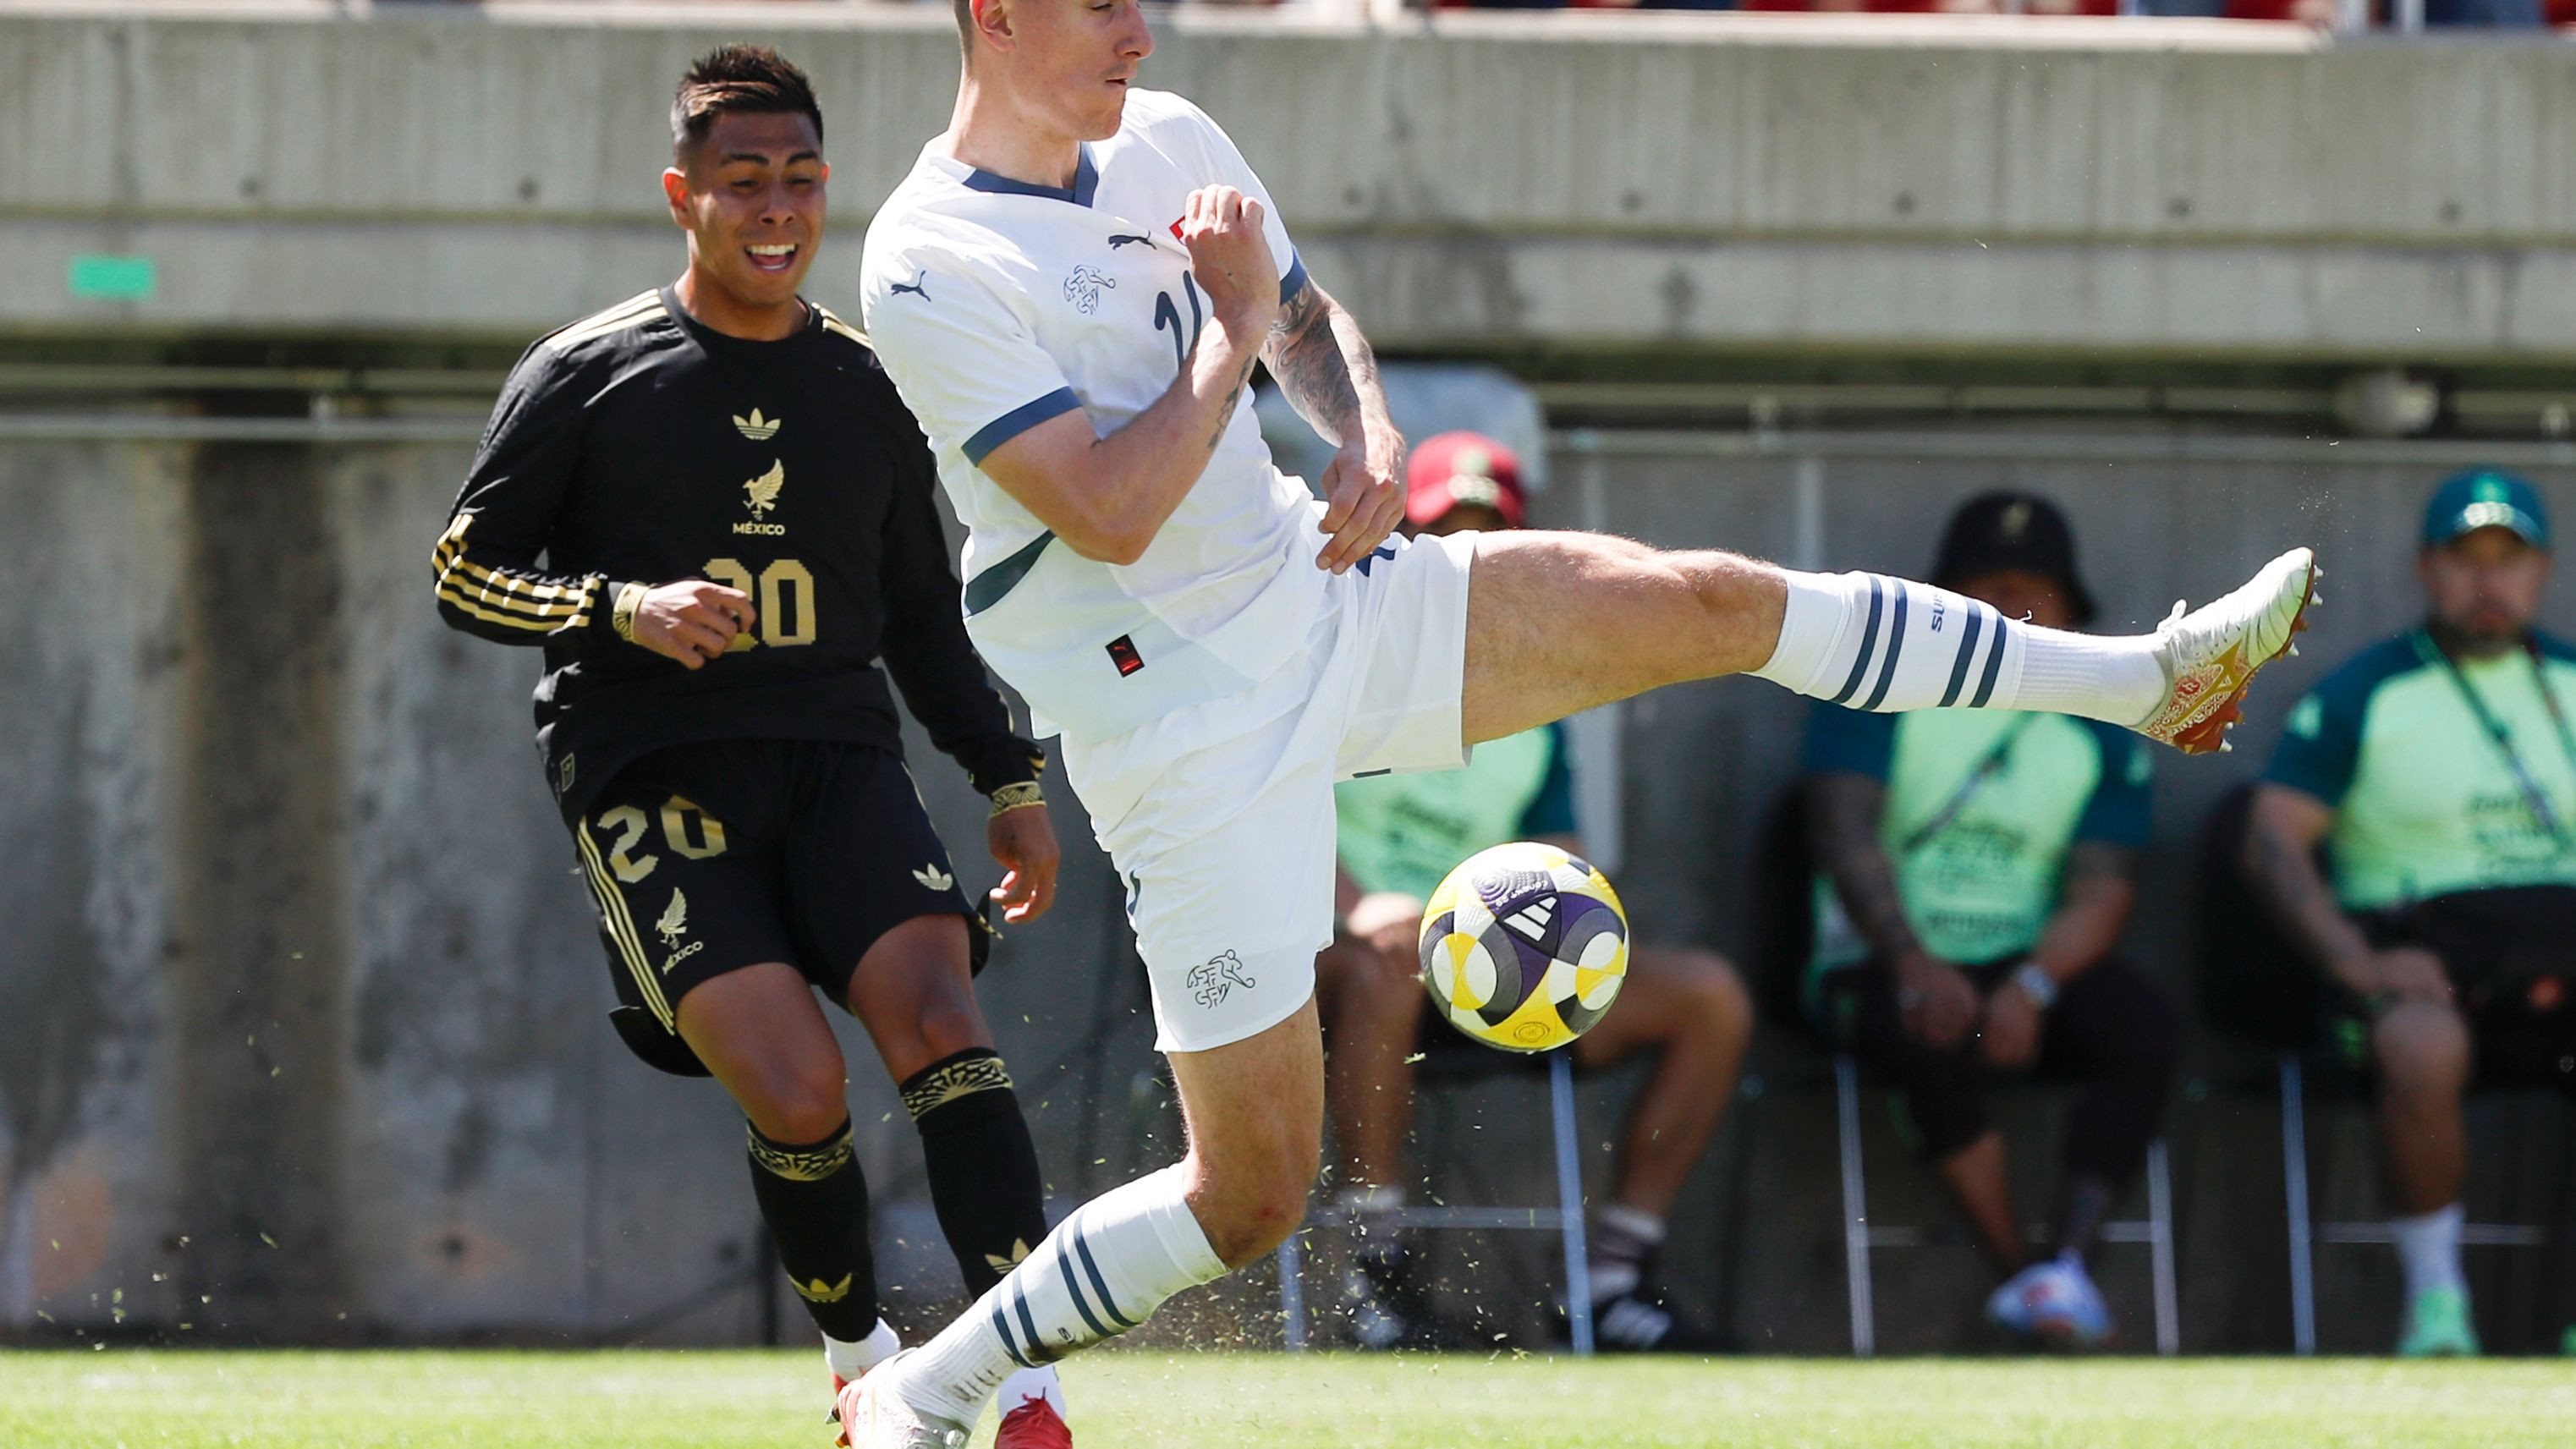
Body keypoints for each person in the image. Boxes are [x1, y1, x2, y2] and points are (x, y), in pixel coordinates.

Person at [842, 0, 2315, 1432]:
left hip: (1328, 597)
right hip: (1176, 726)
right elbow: (1107, 507)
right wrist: (1228, 325)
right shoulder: (925, 258)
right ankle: (931, 1385)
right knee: (1250, 1195)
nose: (1139, 33)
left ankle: (2146, 679)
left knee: (1709, 600)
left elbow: (1301, 315)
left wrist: (1365, 429)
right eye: (1103, 3)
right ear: (994, 13)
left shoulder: (1168, 135)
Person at [431, 47, 1075, 1446]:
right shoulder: (586, 373)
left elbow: (922, 614)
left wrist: (1008, 777)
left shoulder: (868, 382)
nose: (777, 208)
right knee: (798, 1086)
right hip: (650, 773)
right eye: (743, 182)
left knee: (942, 1022)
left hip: (840, 759)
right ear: (684, 196)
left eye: (801, 178)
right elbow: (464, 573)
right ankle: (861, 1358)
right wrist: (621, 607)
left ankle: (1025, 1380)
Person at [1320, 434, 1751, 1354]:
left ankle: (1610, 1280)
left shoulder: (1538, 706)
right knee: (1391, 956)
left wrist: (1533, 924)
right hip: (1335, 961)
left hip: (1484, 975)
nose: (1466, 560)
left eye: (1489, 539)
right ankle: (1375, 1268)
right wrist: (1359, 908)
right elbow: (1268, 812)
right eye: (1446, 537)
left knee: (1708, 998)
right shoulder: (1335, 658)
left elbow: (1563, 856)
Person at [1799, 493, 2182, 1349]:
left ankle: (2067, 1265)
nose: (2011, 605)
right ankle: (2026, 1280)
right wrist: (1910, 959)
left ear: (2070, 610)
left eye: (2033, 587)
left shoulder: (2100, 728)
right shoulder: (1875, 692)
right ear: (1940, 602)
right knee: (1918, 1028)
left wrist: (2035, 985)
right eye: (1986, 584)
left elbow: (2104, 887)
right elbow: (1841, 830)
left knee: (2145, 1026)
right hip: (1885, 961)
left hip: (2023, 967)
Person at [2242, 469, 2576, 1358]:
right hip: (2427, 969)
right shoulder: (2364, 692)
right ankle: (2438, 1308)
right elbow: (2270, 840)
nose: (2488, 581)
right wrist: (2355, 962)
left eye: (2509, 559)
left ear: (2542, 570)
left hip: (2560, 959)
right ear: (2428, 568)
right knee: (2420, 1045)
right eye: (2467, 558)